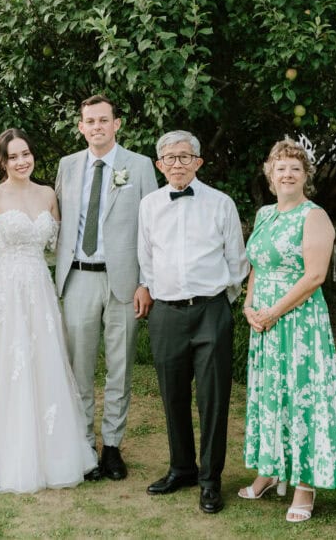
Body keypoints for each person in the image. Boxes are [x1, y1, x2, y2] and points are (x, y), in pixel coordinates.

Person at [0, 128, 98, 493]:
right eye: (13, 156)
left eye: (26, 154)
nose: (22, 161)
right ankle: (9, 455)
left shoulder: (49, 195)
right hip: (3, 290)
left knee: (44, 364)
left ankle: (53, 454)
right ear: (2, 161)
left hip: (39, 288)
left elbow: (58, 245)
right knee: (7, 366)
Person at [237, 137, 336, 522]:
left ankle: (305, 485)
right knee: (270, 395)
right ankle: (269, 470)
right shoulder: (263, 215)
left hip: (299, 324)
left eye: (295, 168)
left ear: (305, 175)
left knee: (303, 398)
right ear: (270, 176)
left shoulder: (314, 216)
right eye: (281, 168)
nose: (287, 173)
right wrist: (248, 305)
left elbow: (315, 276)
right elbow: (257, 265)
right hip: (265, 323)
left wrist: (273, 311)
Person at [138, 130, 247, 515]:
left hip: (210, 310)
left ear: (198, 162)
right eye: (170, 158)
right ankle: (181, 468)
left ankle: (210, 480)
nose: (177, 164)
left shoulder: (220, 203)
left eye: (185, 157)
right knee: (172, 395)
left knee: (213, 399)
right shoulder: (149, 204)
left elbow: (237, 262)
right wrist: (151, 288)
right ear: (159, 165)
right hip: (166, 312)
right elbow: (146, 256)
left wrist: (219, 303)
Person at [54, 94, 158, 480]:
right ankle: (82, 445)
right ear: (81, 127)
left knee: (121, 366)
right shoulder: (66, 166)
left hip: (124, 282)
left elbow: (150, 229)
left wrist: (146, 283)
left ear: (117, 124)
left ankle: (112, 446)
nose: (96, 126)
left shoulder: (140, 166)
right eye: (89, 121)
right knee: (78, 368)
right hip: (78, 277)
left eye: (103, 120)